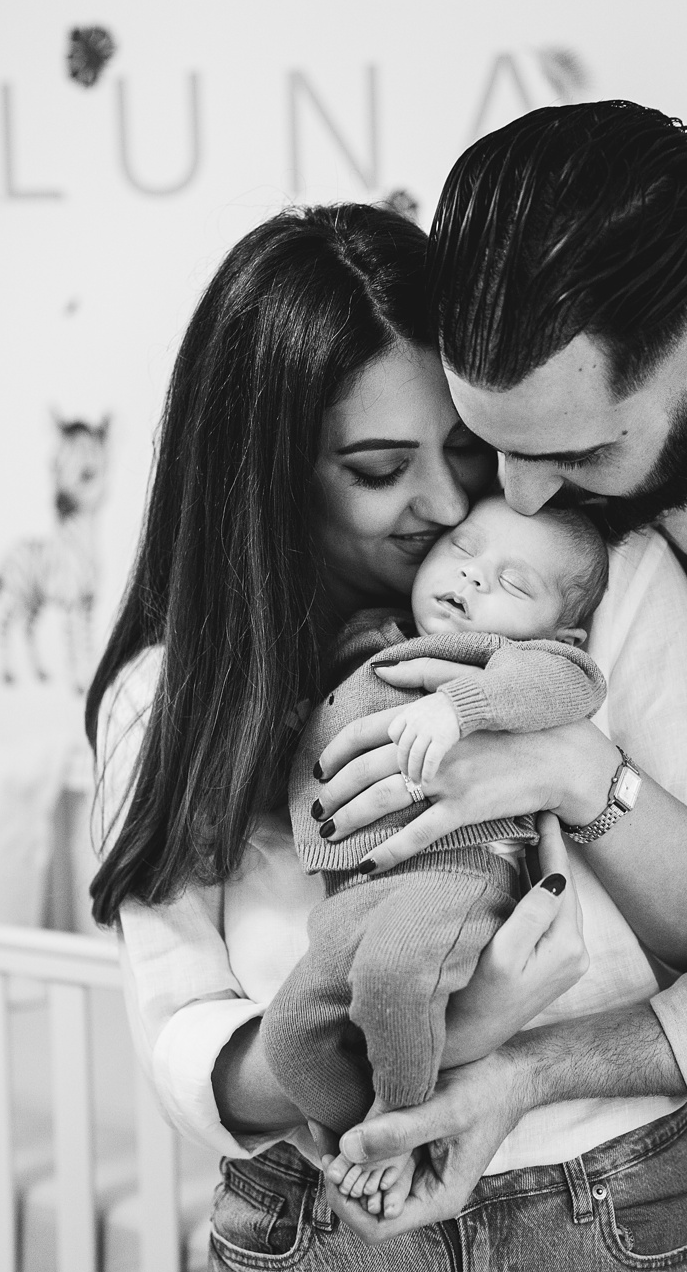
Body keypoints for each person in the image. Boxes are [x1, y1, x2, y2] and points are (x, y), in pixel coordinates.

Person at [88, 201, 687, 1272]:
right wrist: (423, 1036)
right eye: (376, 466)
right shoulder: (171, 696)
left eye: (463, 445)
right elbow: (192, 1044)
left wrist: (570, 767)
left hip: (611, 1202)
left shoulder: (591, 580)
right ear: (266, 473)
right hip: (325, 1224)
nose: (445, 499)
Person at [324, 101, 687, 1272]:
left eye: (578, 456)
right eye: (492, 445)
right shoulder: (670, 309)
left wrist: (584, 769)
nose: (522, 506)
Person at [264, 497, 615, 1219]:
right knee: (293, 1033)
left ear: (562, 627)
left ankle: (398, 1127)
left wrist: (458, 708)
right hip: (359, 888)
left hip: (461, 872)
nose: (474, 577)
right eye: (462, 547)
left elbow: (570, 685)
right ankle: (354, 1144)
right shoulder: (367, 634)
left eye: (514, 584)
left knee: (395, 973)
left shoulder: (526, 660)